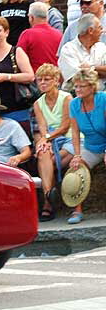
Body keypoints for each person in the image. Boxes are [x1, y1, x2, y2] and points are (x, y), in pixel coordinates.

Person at [0, 16, 35, 135]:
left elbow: (30, 76)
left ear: (6, 32)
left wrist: (7, 77)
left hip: (16, 111)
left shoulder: (16, 52)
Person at [32, 64, 74, 221]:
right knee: (43, 154)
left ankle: (47, 204)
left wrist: (45, 138)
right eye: (39, 80)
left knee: (47, 162)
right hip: (52, 138)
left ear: (56, 81)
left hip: (69, 138)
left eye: (47, 79)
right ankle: (49, 194)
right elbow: (42, 127)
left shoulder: (66, 97)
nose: (42, 83)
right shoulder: (38, 103)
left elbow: (65, 126)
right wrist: (45, 141)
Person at [68, 68, 106, 223]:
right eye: (76, 86)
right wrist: (77, 155)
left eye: (81, 86)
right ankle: (77, 210)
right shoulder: (74, 104)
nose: (77, 89)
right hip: (91, 145)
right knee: (76, 167)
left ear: (92, 86)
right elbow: (75, 133)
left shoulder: (103, 99)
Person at [59, 14, 106, 91]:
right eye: (100, 28)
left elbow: (83, 73)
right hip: (76, 97)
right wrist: (100, 72)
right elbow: (77, 77)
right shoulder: (68, 49)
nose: (102, 31)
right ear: (90, 30)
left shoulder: (102, 47)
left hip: (100, 97)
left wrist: (91, 67)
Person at [16, 3, 62, 74]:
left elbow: (18, 58)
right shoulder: (59, 34)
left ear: (31, 18)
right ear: (47, 17)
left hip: (36, 79)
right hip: (55, 78)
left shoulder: (27, 34)